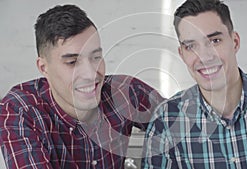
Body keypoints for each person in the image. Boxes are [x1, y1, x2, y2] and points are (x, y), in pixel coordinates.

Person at [0, 4, 164, 169]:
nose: (90, 73)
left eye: (96, 57)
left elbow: (182, 124)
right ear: (44, 68)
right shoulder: (20, 109)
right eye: (72, 62)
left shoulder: (125, 92)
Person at [142, 0, 247, 168]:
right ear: (182, 54)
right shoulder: (167, 119)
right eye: (190, 46)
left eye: (215, 41)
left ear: (235, 42)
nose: (205, 57)